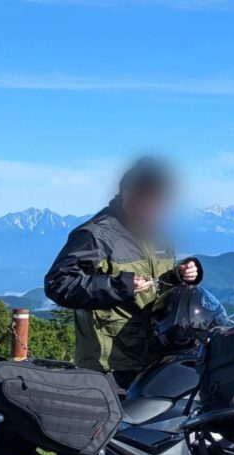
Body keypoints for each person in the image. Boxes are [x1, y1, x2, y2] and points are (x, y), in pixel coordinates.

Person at [44, 157, 203, 389]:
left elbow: (159, 281)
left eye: (161, 202)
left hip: (155, 357)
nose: (157, 209)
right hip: (111, 365)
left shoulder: (157, 232)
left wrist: (183, 275)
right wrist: (120, 286)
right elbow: (58, 283)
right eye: (151, 201)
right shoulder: (95, 234)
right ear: (129, 195)